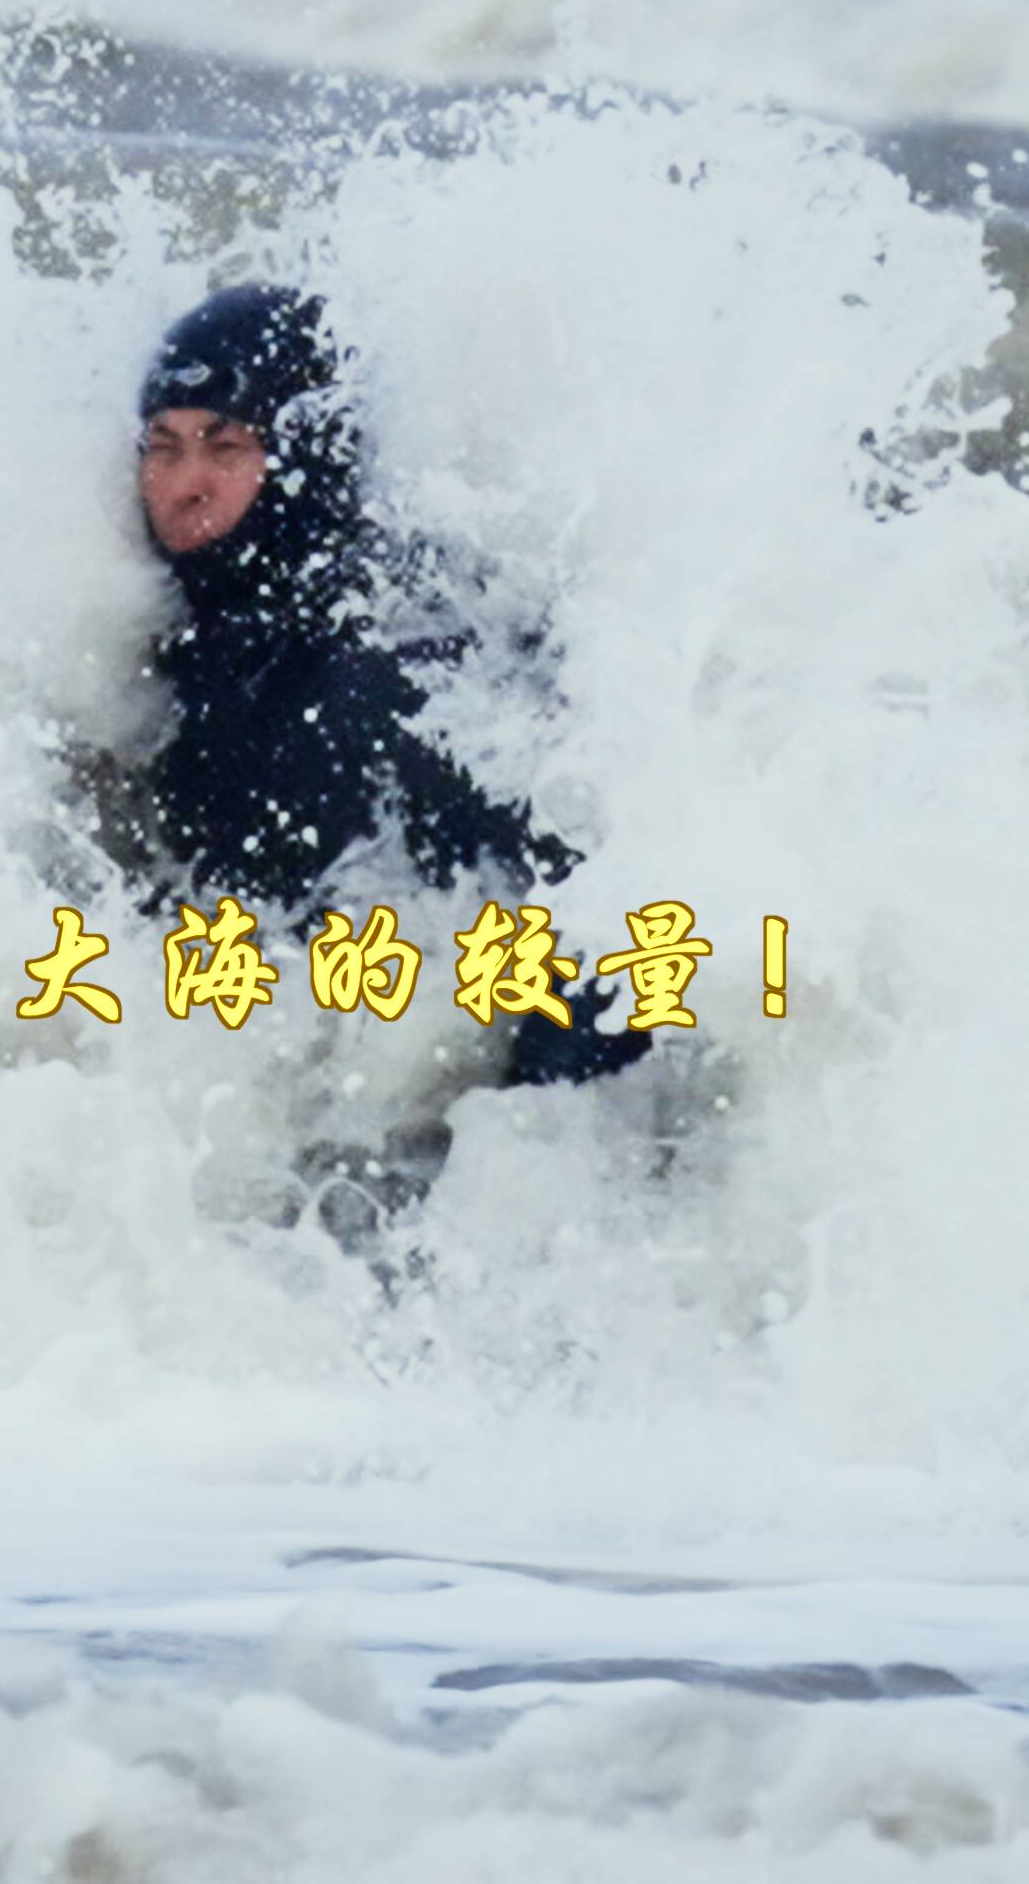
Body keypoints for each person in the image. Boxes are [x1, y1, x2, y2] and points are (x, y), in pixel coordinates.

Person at [114, 283, 648, 1240]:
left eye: (228, 447)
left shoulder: (390, 655)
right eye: (164, 445)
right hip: (281, 1120)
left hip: (429, 1174)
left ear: (304, 456)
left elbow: (589, 932)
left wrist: (517, 1189)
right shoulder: (180, 641)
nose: (185, 485)